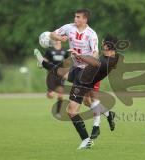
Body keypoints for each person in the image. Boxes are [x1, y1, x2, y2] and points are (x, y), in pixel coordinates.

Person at [34, 34, 119, 149]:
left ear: (108, 46)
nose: (101, 44)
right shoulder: (113, 56)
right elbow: (94, 61)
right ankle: (43, 63)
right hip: (81, 73)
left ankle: (86, 140)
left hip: (83, 82)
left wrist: (80, 55)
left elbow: (95, 63)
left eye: (103, 43)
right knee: (60, 72)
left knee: (71, 111)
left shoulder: (108, 62)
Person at [49, 9, 115, 139]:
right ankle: (108, 114)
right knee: (87, 101)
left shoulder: (91, 34)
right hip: (77, 69)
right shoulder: (68, 28)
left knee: (91, 99)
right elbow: (52, 34)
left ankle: (96, 128)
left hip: (90, 70)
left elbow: (95, 54)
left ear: (85, 19)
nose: (75, 19)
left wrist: (82, 56)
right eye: (75, 16)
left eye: (78, 17)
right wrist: (59, 38)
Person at [44, 41, 68, 117]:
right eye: (55, 39)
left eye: (58, 39)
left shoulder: (65, 51)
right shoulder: (49, 51)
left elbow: (67, 63)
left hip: (60, 75)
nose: (57, 40)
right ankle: (50, 91)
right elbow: (45, 61)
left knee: (60, 95)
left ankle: (58, 112)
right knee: (51, 96)